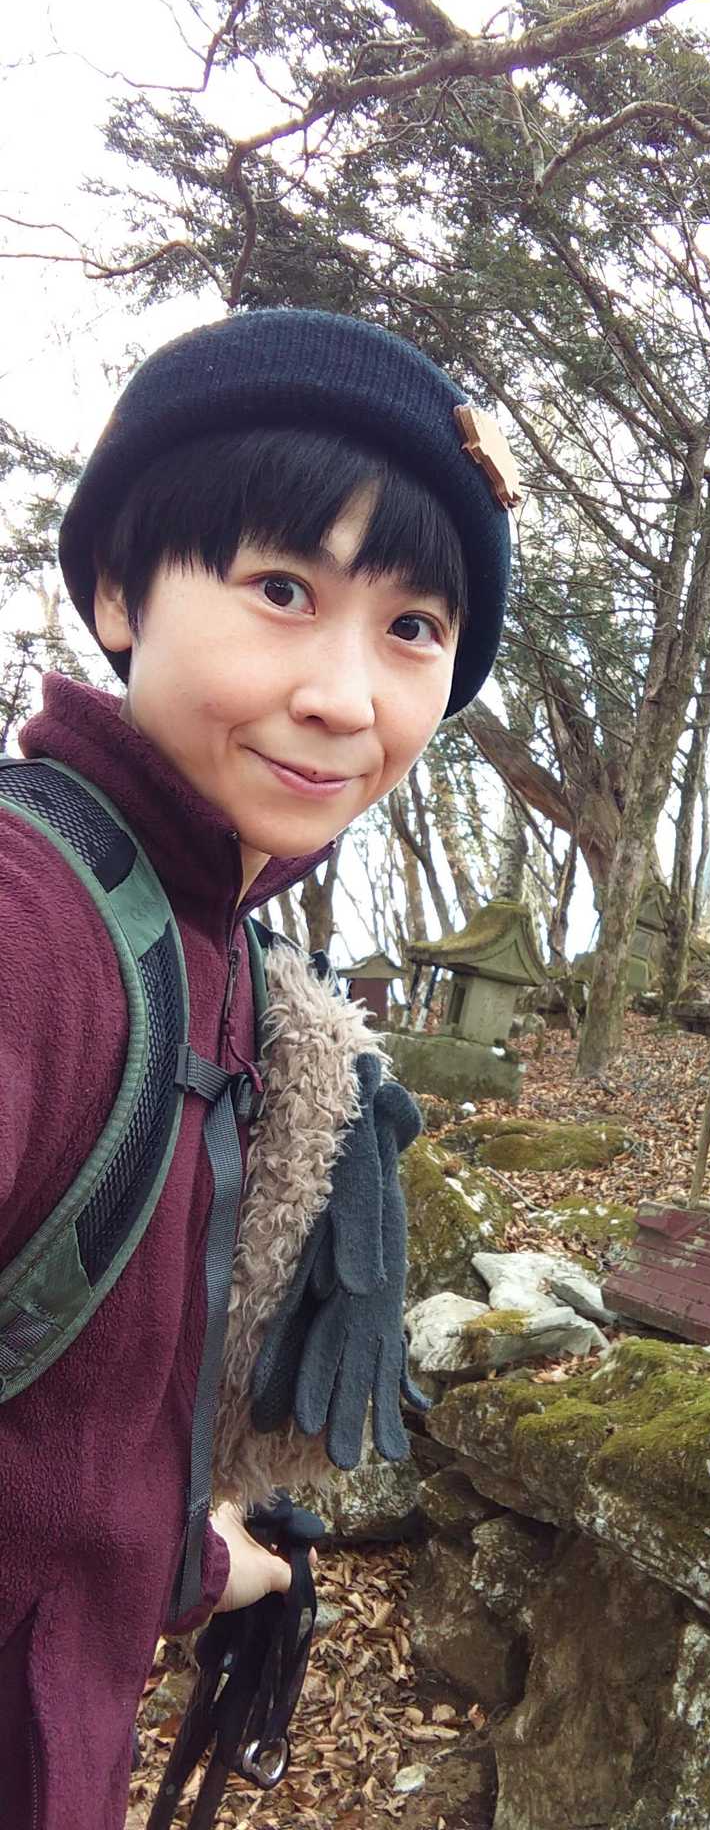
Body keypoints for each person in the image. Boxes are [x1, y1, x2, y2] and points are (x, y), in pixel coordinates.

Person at [0, 308, 516, 1828]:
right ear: (117, 590)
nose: (349, 696)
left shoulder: (214, 949)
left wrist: (172, 1553)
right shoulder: (34, 928)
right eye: (283, 589)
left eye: (413, 629)